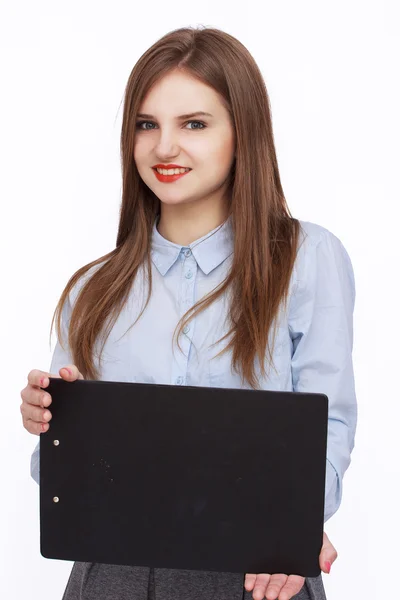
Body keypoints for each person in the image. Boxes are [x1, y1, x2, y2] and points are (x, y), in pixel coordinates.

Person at [20, 26, 357, 600]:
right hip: (113, 574)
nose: (164, 148)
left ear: (241, 133)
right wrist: (55, 424)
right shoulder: (95, 287)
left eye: (194, 124)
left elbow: (329, 429)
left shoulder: (305, 259)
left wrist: (294, 525)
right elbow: (61, 477)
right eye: (146, 125)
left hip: (257, 573)